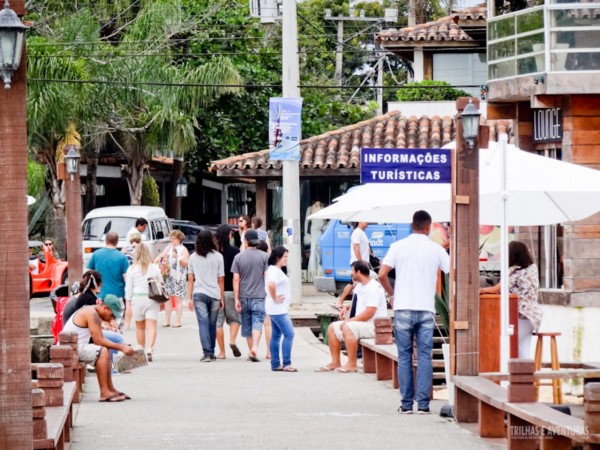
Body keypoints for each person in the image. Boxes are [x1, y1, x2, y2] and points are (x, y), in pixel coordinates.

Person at [378, 210, 450, 415]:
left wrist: (393, 294)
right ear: (428, 227)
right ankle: (424, 405)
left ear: (412, 225)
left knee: (404, 356)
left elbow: (382, 274)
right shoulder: (436, 249)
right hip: (426, 308)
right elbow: (451, 272)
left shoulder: (397, 247)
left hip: (403, 307)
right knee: (425, 356)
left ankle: (407, 404)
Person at [316, 260, 387, 373]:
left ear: (358, 272)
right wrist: (347, 307)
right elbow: (360, 303)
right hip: (361, 323)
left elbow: (370, 312)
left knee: (347, 327)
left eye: (352, 271)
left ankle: (351, 363)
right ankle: (335, 362)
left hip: (374, 325)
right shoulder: (360, 286)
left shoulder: (373, 287)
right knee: (332, 327)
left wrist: (349, 321)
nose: (351, 273)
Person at [61, 297, 134, 402]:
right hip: (69, 349)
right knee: (102, 351)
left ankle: (111, 389)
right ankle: (104, 392)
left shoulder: (94, 312)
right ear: (105, 308)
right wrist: (121, 347)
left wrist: (122, 345)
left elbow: (101, 339)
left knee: (105, 350)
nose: (112, 319)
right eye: (112, 315)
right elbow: (98, 341)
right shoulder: (92, 314)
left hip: (74, 346)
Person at [479, 240, 543, 358]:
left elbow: (497, 289)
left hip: (520, 314)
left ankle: (515, 374)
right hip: (533, 316)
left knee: (509, 345)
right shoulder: (532, 268)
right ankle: (527, 375)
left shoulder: (515, 271)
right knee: (522, 348)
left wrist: (481, 290)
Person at [187, 230, 225, 362]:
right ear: (212, 240)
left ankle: (207, 352)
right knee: (212, 324)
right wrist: (222, 297)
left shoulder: (193, 257)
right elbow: (221, 279)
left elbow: (190, 278)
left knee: (203, 323)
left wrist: (189, 298)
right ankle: (212, 351)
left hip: (199, 293)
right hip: (214, 293)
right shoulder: (218, 256)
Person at [232, 229, 269, 362]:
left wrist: (236, 298)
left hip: (243, 296)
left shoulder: (238, 257)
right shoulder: (264, 257)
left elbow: (236, 279)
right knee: (258, 322)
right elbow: (266, 277)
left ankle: (252, 350)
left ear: (246, 242)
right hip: (260, 296)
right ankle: (254, 348)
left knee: (247, 325)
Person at [124, 243, 163, 362]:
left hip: (137, 298)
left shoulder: (132, 268)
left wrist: (128, 300)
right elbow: (160, 282)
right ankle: (150, 348)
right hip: (151, 297)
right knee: (151, 325)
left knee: (140, 327)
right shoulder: (154, 267)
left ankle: (141, 349)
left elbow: (129, 286)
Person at [265, 246, 297, 372]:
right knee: (289, 334)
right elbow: (271, 284)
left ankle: (275, 364)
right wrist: (275, 298)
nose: (286, 259)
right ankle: (287, 363)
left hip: (276, 308)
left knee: (276, 336)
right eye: (285, 257)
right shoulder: (274, 271)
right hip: (278, 309)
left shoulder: (274, 270)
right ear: (278, 257)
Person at [215, 224, 242, 359]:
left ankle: (222, 352)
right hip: (232, 290)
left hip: (216, 292)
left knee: (218, 323)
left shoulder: (213, 252)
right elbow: (239, 273)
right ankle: (232, 340)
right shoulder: (236, 251)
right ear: (229, 235)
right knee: (234, 319)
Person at [155, 230, 189, 328]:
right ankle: (167, 320)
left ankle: (178, 320)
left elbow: (186, 264)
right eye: (171, 238)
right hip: (168, 276)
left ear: (179, 239)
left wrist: (178, 257)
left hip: (179, 277)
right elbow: (162, 255)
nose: (172, 240)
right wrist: (156, 260)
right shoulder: (169, 247)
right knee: (168, 298)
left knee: (178, 298)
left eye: (174, 238)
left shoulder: (183, 249)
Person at [87, 232, 129, 307]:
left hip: (100, 295)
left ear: (105, 241)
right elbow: (127, 279)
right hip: (118, 295)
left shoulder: (96, 254)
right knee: (117, 317)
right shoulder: (122, 257)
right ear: (117, 242)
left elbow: (88, 275)